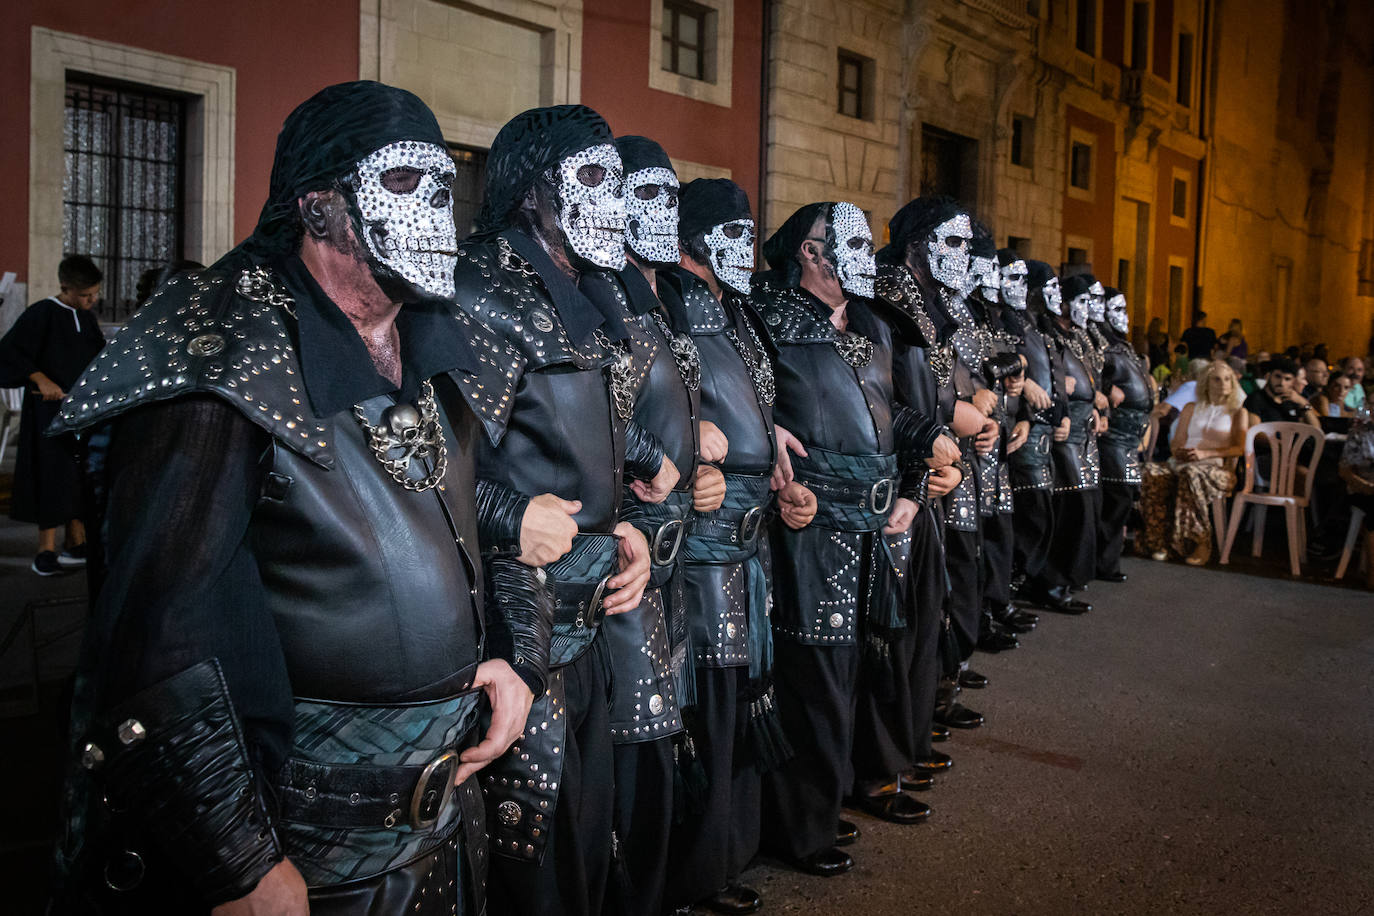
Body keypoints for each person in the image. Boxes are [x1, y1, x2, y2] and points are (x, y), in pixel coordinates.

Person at [49, 81, 540, 915]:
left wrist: (514, 653)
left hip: (443, 823)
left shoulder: (437, 334)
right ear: (319, 209)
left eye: (442, 184)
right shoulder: (224, 350)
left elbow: (489, 511)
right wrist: (236, 857)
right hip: (295, 841)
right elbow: (158, 630)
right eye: (399, 184)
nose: (436, 210)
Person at [451, 104, 668, 916]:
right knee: (528, 867)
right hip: (512, 633)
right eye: (591, 179)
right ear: (534, 191)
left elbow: (592, 448)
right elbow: (424, 471)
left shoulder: (586, 292)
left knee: (584, 838)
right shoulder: (480, 291)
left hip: (589, 623)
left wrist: (628, 530)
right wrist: (511, 517)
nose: (614, 203)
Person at [752, 202, 936, 879]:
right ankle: (800, 830)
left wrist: (921, 463)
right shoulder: (768, 321)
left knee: (863, 669)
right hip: (814, 528)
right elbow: (741, 400)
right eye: (851, 241)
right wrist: (770, 448)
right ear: (811, 251)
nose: (865, 253)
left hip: (878, 528)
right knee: (816, 677)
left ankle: (835, 802)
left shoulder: (868, 324)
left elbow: (893, 411)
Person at [580, 135, 718, 916]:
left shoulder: (655, 292)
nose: (664, 212)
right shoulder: (602, 293)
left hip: (674, 556)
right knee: (632, 747)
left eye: (673, 197)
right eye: (650, 196)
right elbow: (592, 417)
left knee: (664, 736)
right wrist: (656, 463)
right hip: (624, 554)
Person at [662, 177, 799, 915]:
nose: (747, 249)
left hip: (752, 538)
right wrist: (690, 452)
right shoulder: (673, 302)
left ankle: (730, 856)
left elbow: (755, 399)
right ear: (698, 240)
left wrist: (771, 441)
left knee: (744, 695)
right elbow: (653, 399)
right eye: (735, 235)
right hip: (704, 541)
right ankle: (696, 876)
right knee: (708, 705)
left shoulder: (736, 310)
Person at [0, 254, 106, 575]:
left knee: (79, 477)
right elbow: (9, 353)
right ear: (66, 288)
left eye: (95, 293)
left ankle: (76, 542)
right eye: (86, 295)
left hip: (80, 412)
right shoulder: (41, 314)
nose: (92, 300)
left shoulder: (87, 319)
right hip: (47, 414)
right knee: (50, 477)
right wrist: (39, 378)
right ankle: (44, 551)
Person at [1139, 360, 1249, 565]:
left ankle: (1198, 541)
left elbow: (1239, 448)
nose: (1223, 384)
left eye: (1227, 379)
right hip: (1185, 461)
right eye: (1217, 379)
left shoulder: (1238, 412)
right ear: (1206, 382)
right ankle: (1159, 541)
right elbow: (1178, 440)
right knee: (1150, 472)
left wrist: (1205, 454)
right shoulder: (1191, 407)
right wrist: (1181, 452)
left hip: (1217, 468)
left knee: (1191, 475)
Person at [1096, 288, 1154, 582]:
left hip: (1131, 436)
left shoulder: (1123, 346)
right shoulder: (1101, 344)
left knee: (1123, 497)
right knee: (1116, 497)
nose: (1123, 317)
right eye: (1115, 310)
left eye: (1124, 310)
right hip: (1115, 433)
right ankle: (1103, 564)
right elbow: (1090, 373)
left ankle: (1109, 562)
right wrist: (1106, 388)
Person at [1244, 358, 1321, 430]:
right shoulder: (1255, 399)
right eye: (1277, 377)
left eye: (1287, 379)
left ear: (1293, 381)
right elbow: (1255, 434)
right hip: (1271, 443)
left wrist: (1303, 403)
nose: (1282, 383)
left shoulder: (1294, 400)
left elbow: (1316, 430)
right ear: (1268, 376)